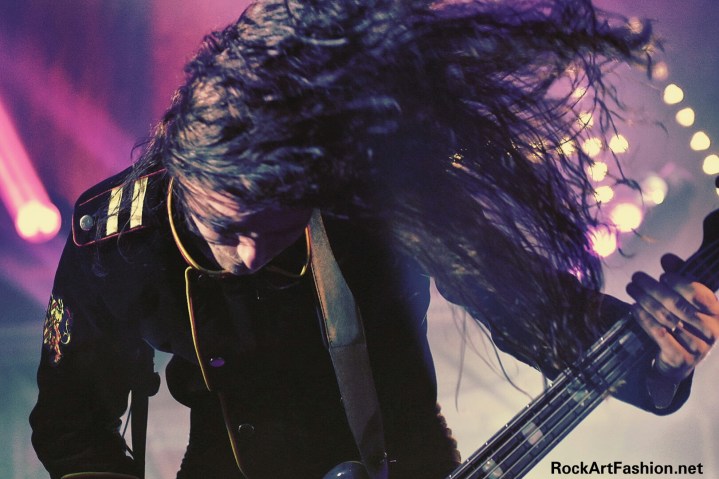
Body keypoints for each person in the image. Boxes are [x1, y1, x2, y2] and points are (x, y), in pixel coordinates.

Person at [30, 0, 719, 478]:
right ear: (182, 173)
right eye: (228, 228)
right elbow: (71, 421)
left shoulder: (382, 194)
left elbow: (532, 313)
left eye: (276, 224)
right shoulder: (118, 239)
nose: (250, 254)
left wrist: (653, 360)